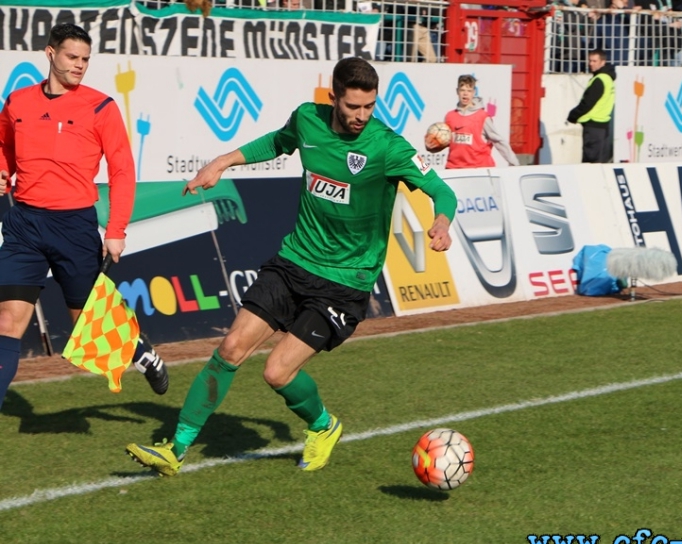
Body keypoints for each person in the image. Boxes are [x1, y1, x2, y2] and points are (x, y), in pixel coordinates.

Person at [125, 57, 457, 477]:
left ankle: (323, 425)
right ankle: (176, 449)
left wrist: (442, 221)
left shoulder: (387, 146)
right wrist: (221, 162)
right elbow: (277, 143)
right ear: (333, 97)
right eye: (353, 106)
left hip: (344, 283)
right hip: (294, 261)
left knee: (277, 371)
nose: (361, 116)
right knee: (229, 349)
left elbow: (440, 191)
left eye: (369, 106)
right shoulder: (307, 119)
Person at [0, 23, 168, 412]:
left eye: (85, 59)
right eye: (72, 57)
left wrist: (116, 230)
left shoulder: (101, 106)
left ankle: (139, 351)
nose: (79, 65)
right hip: (24, 224)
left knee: (86, 325)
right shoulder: (17, 102)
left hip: (73, 226)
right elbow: (4, 145)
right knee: (7, 322)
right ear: (50, 53)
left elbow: (123, 170)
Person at [433, 74, 519, 169]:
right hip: (454, 168)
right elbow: (445, 141)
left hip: (478, 170)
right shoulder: (450, 116)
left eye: (469, 91)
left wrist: (515, 164)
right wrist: (433, 146)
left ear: (474, 92)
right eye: (462, 90)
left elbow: (498, 141)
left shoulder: (482, 116)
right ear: (457, 91)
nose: (465, 94)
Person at [566, 48, 616, 163]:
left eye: (594, 61)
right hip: (602, 125)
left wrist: (573, 115)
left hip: (593, 125)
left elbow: (587, 103)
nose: (590, 64)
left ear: (602, 62)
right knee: (600, 162)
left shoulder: (599, 80)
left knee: (590, 162)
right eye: (590, 61)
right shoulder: (608, 78)